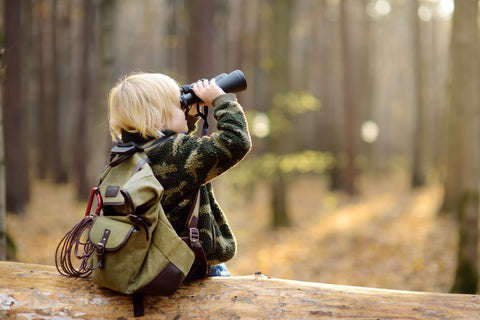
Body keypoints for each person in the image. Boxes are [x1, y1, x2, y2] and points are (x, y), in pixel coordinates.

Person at [108, 72, 251, 279]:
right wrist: (222, 100)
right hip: (192, 269)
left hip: (157, 263)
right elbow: (236, 141)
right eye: (179, 105)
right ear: (156, 117)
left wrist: (190, 114)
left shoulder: (128, 153)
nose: (184, 109)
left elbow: (178, 152)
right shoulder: (177, 154)